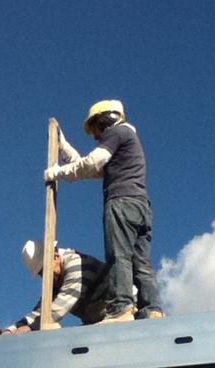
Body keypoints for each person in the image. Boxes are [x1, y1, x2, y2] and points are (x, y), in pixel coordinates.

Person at [44, 99, 164, 323]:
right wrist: (64, 147)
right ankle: (152, 309)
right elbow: (90, 168)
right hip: (140, 206)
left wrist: (56, 173)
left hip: (122, 202)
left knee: (118, 255)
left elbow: (90, 163)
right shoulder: (127, 140)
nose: (96, 136)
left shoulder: (116, 132)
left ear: (107, 119)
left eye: (97, 128)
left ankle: (121, 308)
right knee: (141, 261)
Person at [2, 240, 113, 333]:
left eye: (46, 270)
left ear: (55, 256)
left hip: (118, 314)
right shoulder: (55, 282)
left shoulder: (75, 262)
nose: (46, 277)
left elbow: (66, 298)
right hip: (98, 322)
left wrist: (31, 327)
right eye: (41, 273)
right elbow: (41, 311)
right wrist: (12, 329)